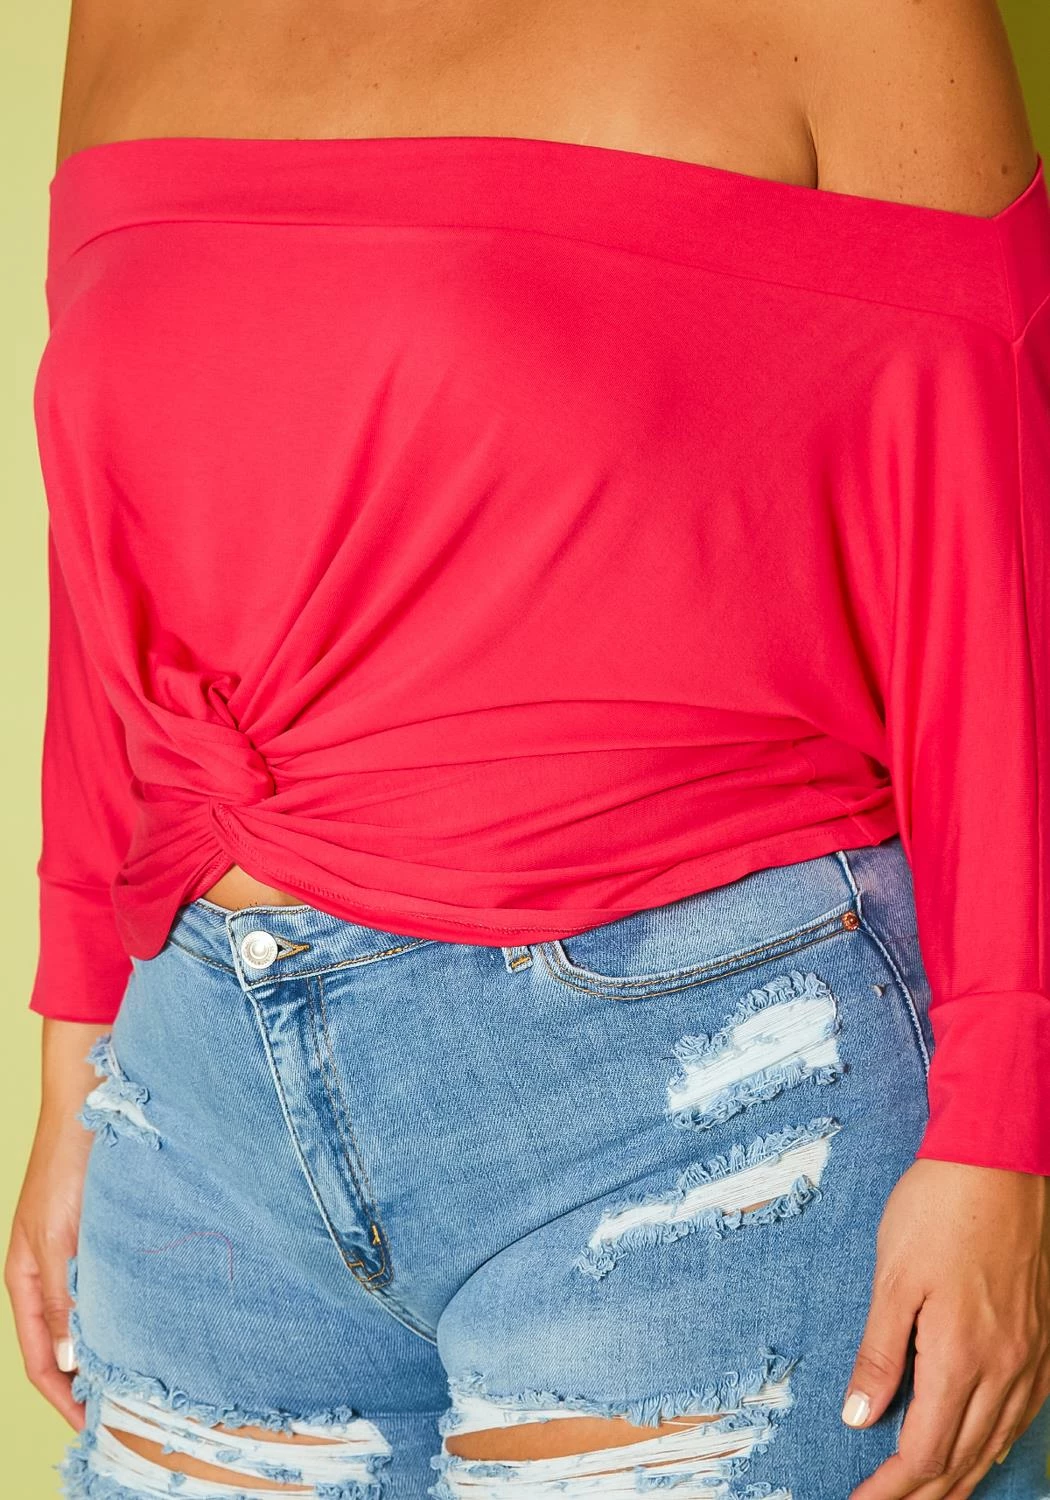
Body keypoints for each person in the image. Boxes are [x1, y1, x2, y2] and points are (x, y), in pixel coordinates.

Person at [7, 1, 1050, 1496]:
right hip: (203, 1095)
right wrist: (76, 1062)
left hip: (699, 1083)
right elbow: (114, 556)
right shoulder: (126, 14)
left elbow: (993, 557)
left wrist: (1004, 1136)